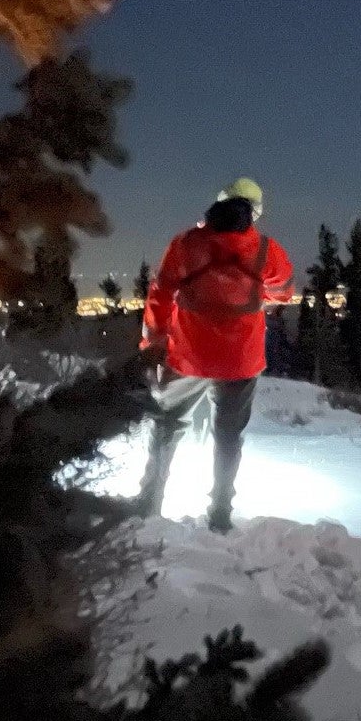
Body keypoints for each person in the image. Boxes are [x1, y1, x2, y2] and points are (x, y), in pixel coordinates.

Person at [135, 178, 295, 532]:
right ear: (254, 212)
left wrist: (152, 344)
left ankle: (148, 507)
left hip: (186, 357)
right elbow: (284, 291)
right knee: (227, 437)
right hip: (240, 362)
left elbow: (160, 293)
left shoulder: (186, 244)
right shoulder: (266, 250)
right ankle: (220, 516)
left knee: (167, 427)